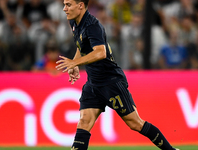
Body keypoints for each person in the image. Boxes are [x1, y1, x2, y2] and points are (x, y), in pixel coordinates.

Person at [56, 0, 179, 150]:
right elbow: (80, 44)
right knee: (84, 122)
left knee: (135, 123)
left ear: (80, 5)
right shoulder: (74, 22)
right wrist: (75, 63)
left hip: (111, 82)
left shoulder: (92, 25)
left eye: (68, 5)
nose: (64, 9)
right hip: (93, 83)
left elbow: (101, 52)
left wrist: (76, 63)